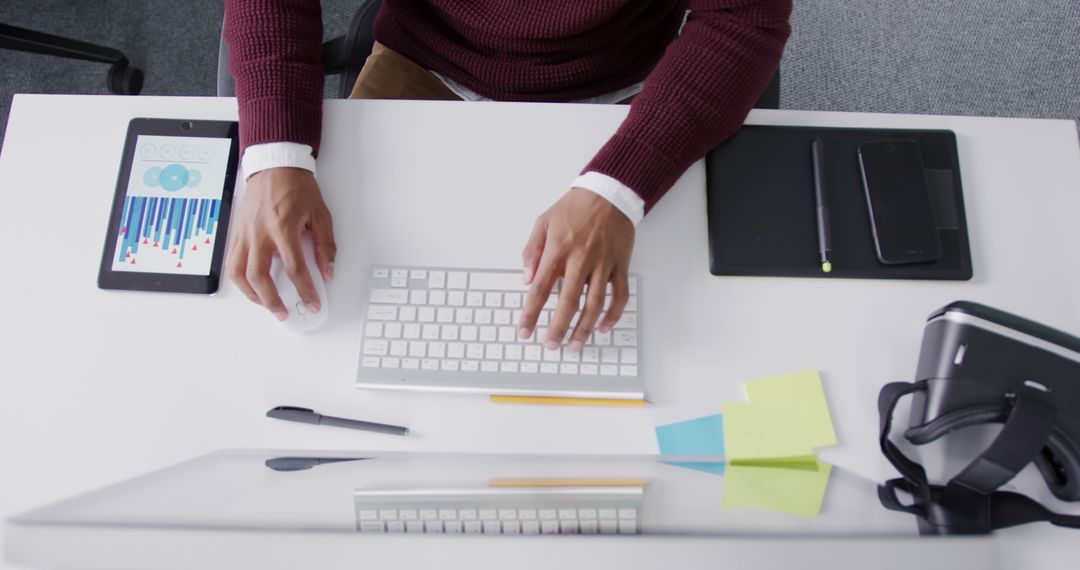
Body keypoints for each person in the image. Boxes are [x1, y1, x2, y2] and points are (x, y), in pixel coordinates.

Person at [224, 0, 791, 351]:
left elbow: (745, 17)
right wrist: (276, 155)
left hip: (623, 80)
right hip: (425, 57)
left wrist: (616, 189)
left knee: (670, 329)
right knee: (325, 321)